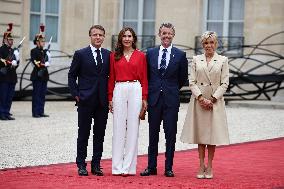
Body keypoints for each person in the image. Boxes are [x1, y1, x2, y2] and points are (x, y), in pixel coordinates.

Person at [140, 23, 188, 177]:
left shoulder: (180, 55)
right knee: (153, 134)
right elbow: (146, 76)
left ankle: (168, 168)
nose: (166, 36)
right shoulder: (151, 53)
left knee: (170, 135)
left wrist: (170, 90)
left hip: (171, 101)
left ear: (173, 35)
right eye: (164, 33)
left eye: (169, 33)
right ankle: (151, 167)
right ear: (159, 34)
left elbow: (182, 79)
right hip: (154, 100)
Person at [180, 31, 230, 179]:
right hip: (199, 102)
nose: (209, 45)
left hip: (215, 102)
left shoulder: (223, 60)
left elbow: (225, 82)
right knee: (201, 135)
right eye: (206, 43)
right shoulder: (196, 59)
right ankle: (201, 165)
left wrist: (213, 99)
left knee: (212, 135)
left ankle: (210, 165)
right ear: (202, 45)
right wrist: (201, 98)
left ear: (216, 44)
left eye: (212, 42)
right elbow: (192, 81)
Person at [68, 25, 111, 176]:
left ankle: (96, 165)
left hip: (102, 101)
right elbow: (72, 75)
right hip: (85, 100)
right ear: (90, 36)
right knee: (84, 133)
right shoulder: (80, 54)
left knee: (99, 134)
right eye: (95, 35)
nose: (98, 37)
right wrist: (76, 94)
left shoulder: (108, 55)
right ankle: (81, 164)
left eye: (100, 35)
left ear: (104, 37)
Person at [108, 27, 148, 176]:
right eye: (124, 36)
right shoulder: (114, 56)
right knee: (118, 127)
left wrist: (144, 97)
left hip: (135, 88)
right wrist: (110, 98)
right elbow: (111, 78)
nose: (127, 38)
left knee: (133, 127)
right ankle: (117, 167)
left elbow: (144, 78)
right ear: (120, 39)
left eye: (129, 36)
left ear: (133, 38)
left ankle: (129, 167)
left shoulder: (141, 56)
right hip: (119, 88)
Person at [30, 24, 51, 118]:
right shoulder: (33, 51)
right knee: (36, 95)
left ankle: (41, 111)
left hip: (44, 75)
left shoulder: (45, 51)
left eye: (44, 41)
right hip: (37, 75)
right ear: (37, 42)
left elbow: (48, 61)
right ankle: (35, 112)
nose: (43, 43)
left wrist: (48, 58)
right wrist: (43, 64)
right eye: (42, 41)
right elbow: (35, 62)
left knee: (42, 95)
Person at [0, 23, 20, 120]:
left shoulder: (13, 51)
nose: (11, 41)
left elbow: (16, 65)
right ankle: (2, 113)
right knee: (3, 96)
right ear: (5, 40)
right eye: (10, 39)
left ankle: (7, 112)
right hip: (4, 77)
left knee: (9, 97)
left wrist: (17, 59)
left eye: (12, 39)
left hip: (12, 76)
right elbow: (1, 61)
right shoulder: (1, 50)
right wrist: (9, 62)